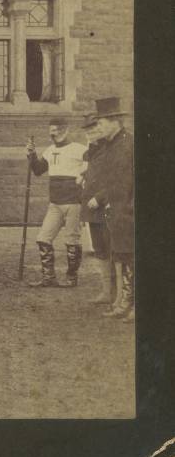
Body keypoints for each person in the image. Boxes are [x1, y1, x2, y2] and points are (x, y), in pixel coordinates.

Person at [26, 117, 87, 288]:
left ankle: (71, 278)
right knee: (43, 238)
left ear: (66, 130)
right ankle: (48, 277)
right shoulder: (49, 150)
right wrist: (31, 155)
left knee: (72, 241)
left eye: (59, 130)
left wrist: (84, 180)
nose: (55, 134)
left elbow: (92, 168)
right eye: (52, 131)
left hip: (74, 202)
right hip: (55, 204)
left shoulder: (80, 149)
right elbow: (38, 170)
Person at [90, 98, 133, 322]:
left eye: (102, 122)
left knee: (129, 256)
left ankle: (130, 303)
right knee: (121, 254)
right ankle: (123, 300)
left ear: (116, 121)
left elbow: (126, 182)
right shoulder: (111, 145)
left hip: (127, 208)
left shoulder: (126, 145)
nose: (99, 127)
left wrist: (122, 207)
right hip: (115, 207)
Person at [79, 113, 113, 304]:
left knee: (112, 249)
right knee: (100, 249)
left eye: (94, 129)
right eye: (88, 130)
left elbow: (116, 179)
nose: (91, 133)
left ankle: (118, 293)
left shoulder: (109, 150)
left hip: (105, 205)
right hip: (92, 208)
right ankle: (106, 291)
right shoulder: (92, 150)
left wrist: (100, 198)